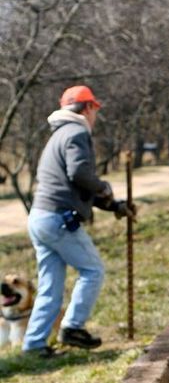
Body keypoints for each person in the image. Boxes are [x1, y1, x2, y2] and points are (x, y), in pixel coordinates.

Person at [22, 85, 134, 357]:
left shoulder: (59, 135)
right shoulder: (77, 132)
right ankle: (72, 328)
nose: (95, 115)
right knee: (93, 270)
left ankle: (34, 345)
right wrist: (104, 188)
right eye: (95, 109)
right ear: (87, 108)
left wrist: (112, 205)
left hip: (41, 216)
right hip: (58, 219)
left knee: (50, 286)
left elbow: (74, 186)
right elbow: (80, 174)